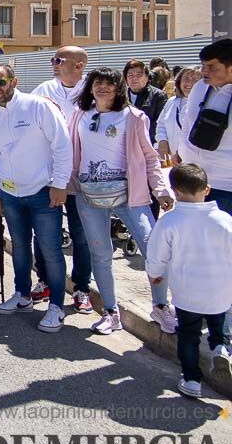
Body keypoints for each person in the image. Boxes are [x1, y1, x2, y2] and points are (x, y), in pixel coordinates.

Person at [68, 68, 176, 335]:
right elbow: (69, 153)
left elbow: (150, 157)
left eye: (109, 84)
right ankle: (110, 311)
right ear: (90, 87)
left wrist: (160, 190)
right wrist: (63, 186)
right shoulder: (80, 114)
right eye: (97, 83)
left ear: (119, 88)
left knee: (154, 249)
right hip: (88, 196)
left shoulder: (134, 117)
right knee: (101, 254)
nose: (102, 88)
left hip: (130, 195)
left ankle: (161, 306)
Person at [0, 64, 73, 333]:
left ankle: (56, 306)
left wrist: (59, 185)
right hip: (10, 196)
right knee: (19, 247)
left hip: (44, 193)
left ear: (14, 81)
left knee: (51, 251)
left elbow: (62, 144)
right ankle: (22, 295)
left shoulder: (38, 106)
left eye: (0, 82)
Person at [145, 164, 232, 399]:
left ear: (175, 191)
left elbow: (156, 256)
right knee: (219, 322)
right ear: (208, 189)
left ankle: (192, 380)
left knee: (189, 335)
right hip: (221, 292)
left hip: (187, 294)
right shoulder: (225, 220)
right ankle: (220, 348)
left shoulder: (169, 222)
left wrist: (155, 274)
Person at [28, 46, 94, 311]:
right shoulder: (43, 90)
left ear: (78, 66)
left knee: (82, 234)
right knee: (45, 233)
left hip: (81, 176)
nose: (53, 64)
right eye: (52, 60)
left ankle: (81, 288)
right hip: (49, 175)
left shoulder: (92, 90)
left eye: (59, 60)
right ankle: (43, 280)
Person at [179, 38, 232, 215]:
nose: (204, 72)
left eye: (211, 67)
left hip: (226, 187)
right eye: (203, 65)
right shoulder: (200, 87)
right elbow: (188, 122)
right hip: (192, 182)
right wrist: (182, 152)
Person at [158, 67, 201, 165]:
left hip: (192, 161)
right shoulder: (171, 101)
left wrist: (181, 152)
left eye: (195, 80)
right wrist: (162, 140)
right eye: (186, 78)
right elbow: (161, 124)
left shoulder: (202, 105)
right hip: (173, 160)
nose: (189, 82)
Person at [125, 59, 168, 144]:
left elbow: (159, 124)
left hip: (147, 144)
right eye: (130, 75)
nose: (134, 78)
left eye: (139, 75)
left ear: (147, 77)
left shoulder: (158, 96)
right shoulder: (121, 95)